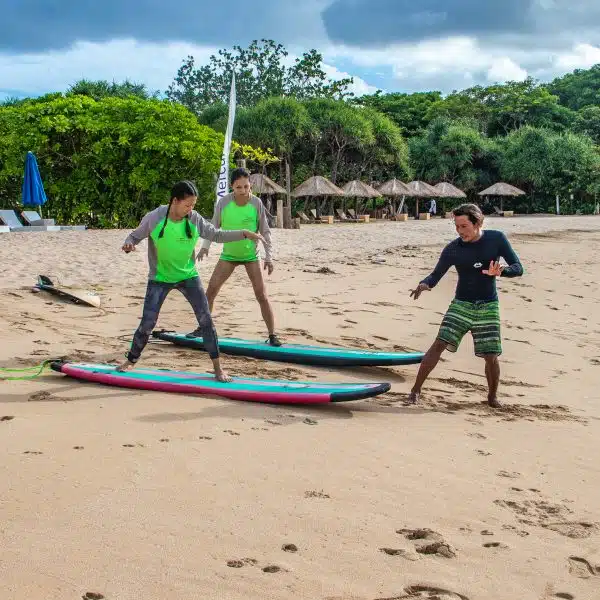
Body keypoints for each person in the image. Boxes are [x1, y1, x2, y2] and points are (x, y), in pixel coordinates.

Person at [118, 180, 266, 380]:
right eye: (187, 205)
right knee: (147, 323)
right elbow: (134, 236)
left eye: (193, 205)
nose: (190, 210)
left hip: (188, 276)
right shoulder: (155, 218)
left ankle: (217, 368)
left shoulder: (194, 219)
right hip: (160, 278)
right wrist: (129, 244)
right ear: (175, 201)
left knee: (206, 320)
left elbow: (216, 234)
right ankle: (130, 360)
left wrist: (243, 234)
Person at [408, 203, 523, 408]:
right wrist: (424, 284)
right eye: (457, 227)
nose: (460, 231)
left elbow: (518, 268)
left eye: (464, 226)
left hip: (488, 305)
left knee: (491, 355)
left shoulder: (496, 239)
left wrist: (501, 271)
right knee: (439, 344)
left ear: (477, 223)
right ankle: (415, 390)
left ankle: (492, 397)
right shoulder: (453, 249)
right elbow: (436, 274)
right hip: (461, 304)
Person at [198, 167, 281, 346]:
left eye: (246, 187)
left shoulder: (257, 203)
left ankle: (273, 335)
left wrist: (269, 257)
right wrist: (205, 246)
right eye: (238, 187)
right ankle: (202, 328)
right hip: (228, 255)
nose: (243, 191)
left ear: (250, 185)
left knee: (262, 295)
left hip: (251, 256)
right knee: (210, 291)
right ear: (231, 187)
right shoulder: (223, 203)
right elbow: (213, 226)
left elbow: (265, 232)